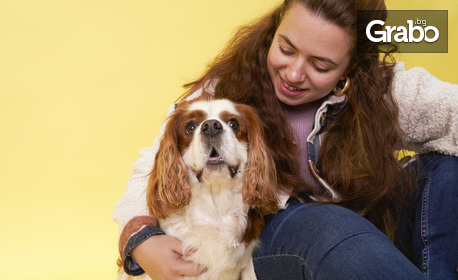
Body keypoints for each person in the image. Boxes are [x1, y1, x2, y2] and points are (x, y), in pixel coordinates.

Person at [113, 0, 458, 279]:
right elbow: (153, 165)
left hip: (375, 232)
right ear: (274, 28)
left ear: (353, 67)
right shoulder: (225, 93)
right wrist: (139, 238)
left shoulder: (386, 92)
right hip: (282, 235)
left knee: (448, 172)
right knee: (330, 223)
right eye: (286, 48)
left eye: (321, 66)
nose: (294, 74)